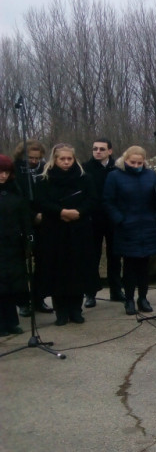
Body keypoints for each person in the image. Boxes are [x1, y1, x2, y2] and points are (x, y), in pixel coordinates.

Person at [34, 144, 96, 326]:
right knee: (58, 270)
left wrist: (79, 212)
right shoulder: (43, 180)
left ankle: (76, 309)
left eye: (70, 159)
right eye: (62, 159)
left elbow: (92, 199)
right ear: (55, 159)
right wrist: (61, 212)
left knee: (77, 269)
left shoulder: (84, 178)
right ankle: (61, 311)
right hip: (54, 230)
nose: (67, 162)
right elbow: (41, 202)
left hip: (79, 228)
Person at [103, 146, 156, 315]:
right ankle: (129, 299)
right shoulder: (114, 176)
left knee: (144, 266)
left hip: (148, 226)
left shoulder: (151, 175)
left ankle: (143, 298)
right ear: (125, 160)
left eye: (139, 163)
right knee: (129, 266)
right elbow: (107, 201)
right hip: (126, 227)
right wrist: (119, 219)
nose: (136, 165)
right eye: (132, 162)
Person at [13, 139, 52, 316]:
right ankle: (22, 302)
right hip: (22, 221)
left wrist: (43, 214)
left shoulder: (45, 169)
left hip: (42, 220)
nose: (34, 161)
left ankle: (39, 298)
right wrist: (31, 216)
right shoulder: (14, 171)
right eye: (31, 158)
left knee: (43, 262)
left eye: (37, 158)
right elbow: (16, 199)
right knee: (20, 265)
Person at [83, 137, 123, 307]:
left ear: (110, 151)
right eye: (95, 148)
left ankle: (116, 290)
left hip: (113, 217)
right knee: (92, 255)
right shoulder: (85, 168)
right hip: (93, 217)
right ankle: (90, 293)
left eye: (101, 149)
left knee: (115, 255)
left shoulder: (118, 167)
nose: (97, 152)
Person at [0, 155, 32, 336]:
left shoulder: (15, 190)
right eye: (0, 172)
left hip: (13, 245)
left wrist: (28, 240)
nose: (3, 176)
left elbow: (24, 217)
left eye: (6, 172)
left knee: (11, 285)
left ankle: (12, 322)